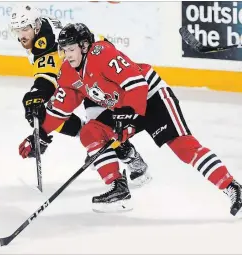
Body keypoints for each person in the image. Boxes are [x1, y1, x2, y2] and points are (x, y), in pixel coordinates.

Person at [19, 22, 242, 217]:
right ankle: (117, 189)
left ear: (84, 46)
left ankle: (234, 188)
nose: (66, 55)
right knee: (91, 132)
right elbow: (59, 110)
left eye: (70, 49)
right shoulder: (69, 73)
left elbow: (136, 83)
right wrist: (40, 134)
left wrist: (129, 120)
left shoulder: (101, 53)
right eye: (63, 50)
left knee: (184, 148)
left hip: (151, 97)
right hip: (123, 108)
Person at [10, 5, 151, 186]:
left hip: (95, 74)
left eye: (25, 28)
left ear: (36, 26)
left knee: (101, 127)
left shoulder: (45, 42)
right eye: (17, 30)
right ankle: (94, 142)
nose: (21, 35)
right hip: (77, 78)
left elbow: (47, 78)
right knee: (55, 114)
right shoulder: (42, 29)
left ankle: (131, 158)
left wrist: (36, 95)